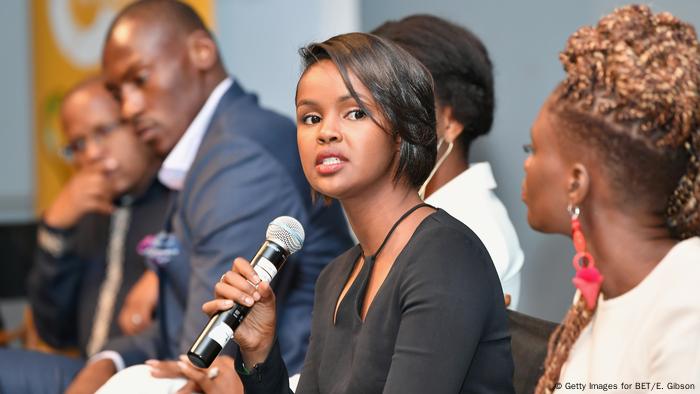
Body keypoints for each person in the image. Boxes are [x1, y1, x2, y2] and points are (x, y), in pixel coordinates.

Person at [204, 32, 514, 393]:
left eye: (355, 113)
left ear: (403, 130)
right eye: (310, 118)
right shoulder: (336, 276)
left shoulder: (446, 257)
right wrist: (259, 351)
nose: (326, 132)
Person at [67, 1, 353, 392]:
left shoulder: (237, 155)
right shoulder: (213, 146)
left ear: (201, 51)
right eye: (119, 93)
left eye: (141, 78)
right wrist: (109, 359)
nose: (130, 108)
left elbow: (206, 348)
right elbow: (180, 322)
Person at [520, 6, 700, 393]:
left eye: (532, 148)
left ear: (575, 184)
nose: (527, 166)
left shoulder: (689, 296)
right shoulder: (597, 296)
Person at [0, 77, 168, 393]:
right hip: (82, 372)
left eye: (103, 131)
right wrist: (56, 229)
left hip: (149, 375)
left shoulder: (180, 201)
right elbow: (54, 332)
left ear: (138, 124)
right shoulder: (87, 211)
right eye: (77, 144)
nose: (91, 154)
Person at [372, 15, 524, 309]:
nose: (377, 119)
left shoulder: (470, 229)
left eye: (398, 101)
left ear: (451, 119)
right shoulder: (413, 213)